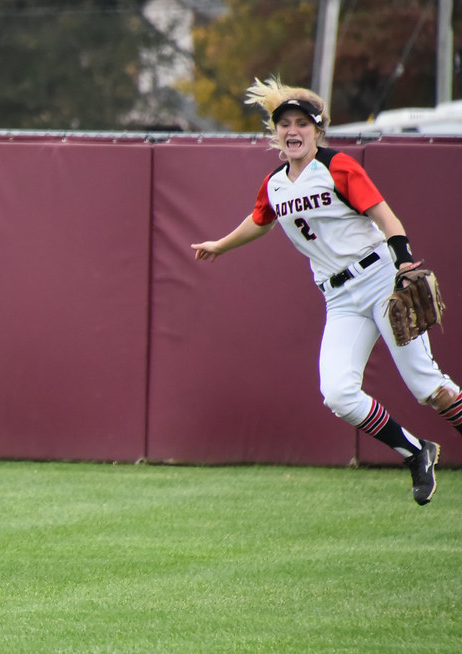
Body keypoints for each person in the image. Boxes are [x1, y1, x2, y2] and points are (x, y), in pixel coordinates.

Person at [191, 76, 462, 506]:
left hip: (379, 279)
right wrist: (220, 246)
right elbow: (260, 219)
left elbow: (385, 217)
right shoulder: (275, 183)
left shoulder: (337, 167)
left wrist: (405, 261)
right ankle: (416, 452)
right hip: (339, 298)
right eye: (285, 124)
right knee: (337, 393)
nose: (292, 130)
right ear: (275, 133)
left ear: (319, 130)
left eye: (302, 123)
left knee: (427, 387)